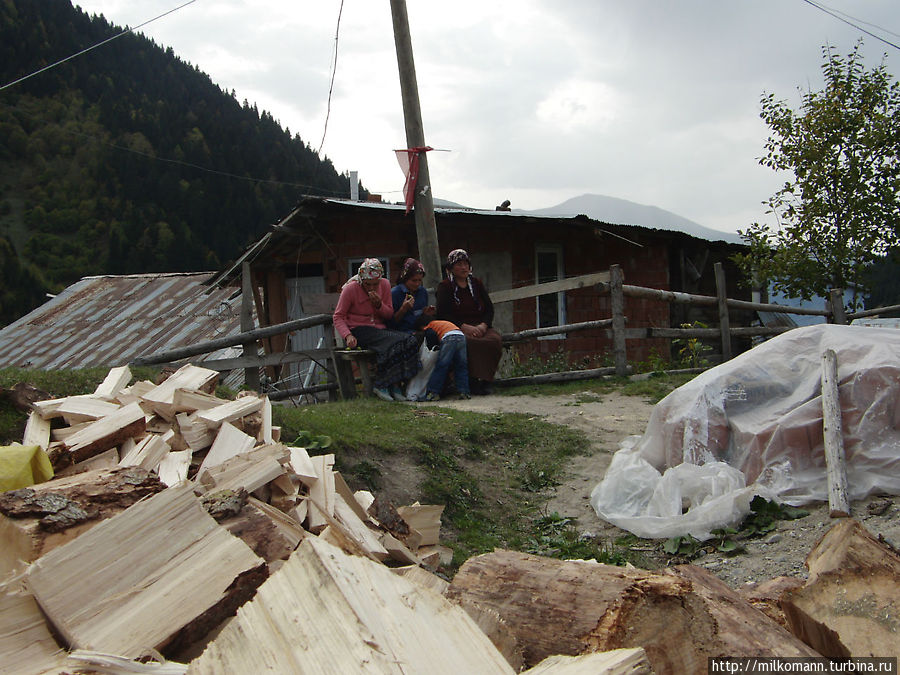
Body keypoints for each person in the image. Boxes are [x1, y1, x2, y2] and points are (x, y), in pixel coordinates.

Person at [332, 258, 420, 402]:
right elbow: (338, 316)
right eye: (368, 284)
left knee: (409, 340)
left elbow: (388, 314)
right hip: (359, 329)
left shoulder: (384, 285)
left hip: (379, 328)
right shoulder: (351, 289)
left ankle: (395, 385)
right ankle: (381, 384)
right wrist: (347, 335)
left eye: (375, 284)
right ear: (361, 280)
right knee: (394, 342)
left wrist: (379, 305)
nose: (372, 287)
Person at [435, 249, 503, 395]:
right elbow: (443, 313)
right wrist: (463, 327)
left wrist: (483, 325)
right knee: (467, 342)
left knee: (494, 340)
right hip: (458, 328)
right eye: (459, 264)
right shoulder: (445, 287)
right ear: (451, 268)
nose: (464, 267)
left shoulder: (476, 284)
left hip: (480, 325)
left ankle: (486, 381)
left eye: (466, 263)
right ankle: (471, 381)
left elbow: (489, 308)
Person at [414, 317, 471, 401]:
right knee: (461, 366)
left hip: (449, 337)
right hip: (461, 336)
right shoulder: (441, 322)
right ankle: (464, 392)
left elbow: (431, 336)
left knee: (442, 365)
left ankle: (433, 393)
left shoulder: (430, 325)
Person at [389, 257, 435, 333]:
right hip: (401, 332)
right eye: (414, 280)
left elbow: (421, 319)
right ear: (405, 279)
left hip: (419, 329)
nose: (417, 284)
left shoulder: (422, 292)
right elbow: (390, 324)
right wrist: (403, 309)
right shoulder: (395, 293)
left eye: (419, 280)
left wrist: (426, 313)